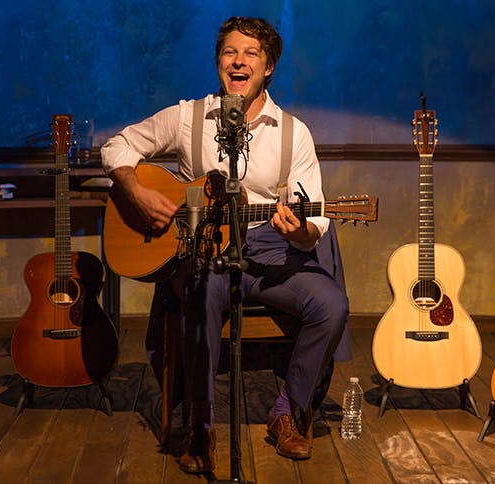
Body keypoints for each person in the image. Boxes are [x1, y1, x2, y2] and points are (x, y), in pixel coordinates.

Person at [101, 16, 349, 474]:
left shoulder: (293, 132)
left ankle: (287, 411)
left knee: (331, 305)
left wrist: (297, 231)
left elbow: (314, 219)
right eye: (230, 52)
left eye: (251, 54)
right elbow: (116, 146)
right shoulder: (187, 117)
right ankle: (201, 424)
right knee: (202, 291)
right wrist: (136, 192)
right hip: (204, 248)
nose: (238, 61)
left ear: (268, 67)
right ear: (218, 62)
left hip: (270, 250)